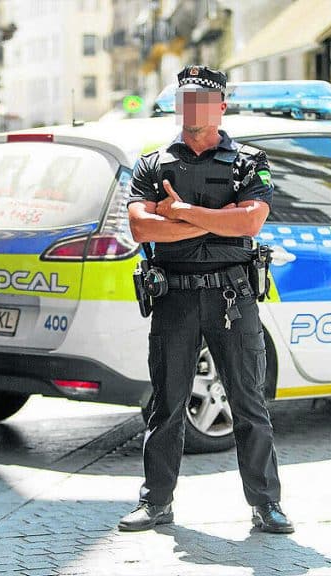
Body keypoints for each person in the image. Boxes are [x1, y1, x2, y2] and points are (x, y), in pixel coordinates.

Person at [120, 65, 292, 534]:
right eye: (185, 98)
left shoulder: (248, 162)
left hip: (231, 294)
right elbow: (140, 228)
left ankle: (266, 504)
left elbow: (250, 224)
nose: (192, 107)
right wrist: (218, 217)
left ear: (221, 106)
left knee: (248, 402)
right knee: (166, 404)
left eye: (202, 99)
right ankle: (155, 502)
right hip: (173, 294)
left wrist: (178, 213)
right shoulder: (152, 164)